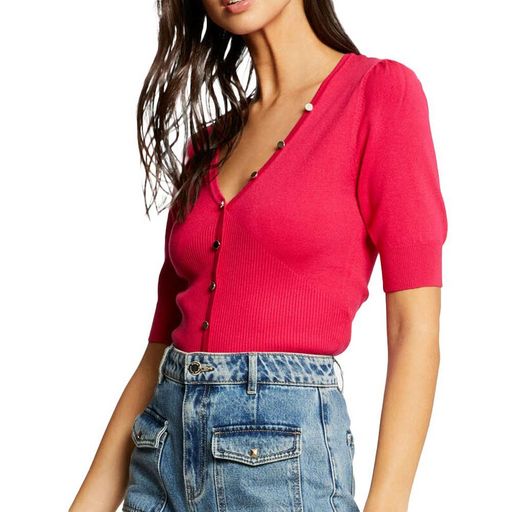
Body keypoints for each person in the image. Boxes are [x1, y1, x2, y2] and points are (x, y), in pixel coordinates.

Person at [69, 0, 448, 511]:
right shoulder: (208, 145)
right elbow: (157, 354)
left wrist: (387, 505)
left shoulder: (378, 93)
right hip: (160, 456)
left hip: (279, 467)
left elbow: (413, 330)